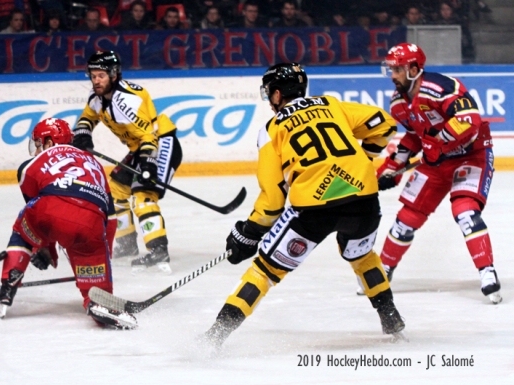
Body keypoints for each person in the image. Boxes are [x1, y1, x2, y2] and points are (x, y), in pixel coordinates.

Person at [201, 63, 405, 347]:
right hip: (364, 201)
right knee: (362, 255)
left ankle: (214, 337)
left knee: (264, 270)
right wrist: (365, 160)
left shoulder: (272, 128)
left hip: (313, 210)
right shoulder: (332, 105)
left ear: (275, 95)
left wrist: (248, 232)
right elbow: (383, 123)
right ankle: (390, 316)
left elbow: (272, 202)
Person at [371, 43, 500, 304]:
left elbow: (469, 119)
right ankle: (383, 270)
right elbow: (414, 137)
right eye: (391, 69)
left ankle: (487, 271)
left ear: (414, 69)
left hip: (471, 156)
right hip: (436, 163)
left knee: (465, 212)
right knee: (407, 217)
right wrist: (392, 168)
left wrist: (439, 142)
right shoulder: (398, 103)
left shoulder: (442, 87)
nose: (392, 75)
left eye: (397, 69)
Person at [0, 118, 137, 329]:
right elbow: (110, 220)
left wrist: (44, 248)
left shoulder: (29, 165)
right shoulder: (94, 163)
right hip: (91, 223)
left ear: (49, 142)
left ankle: (7, 288)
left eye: (39, 143)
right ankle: (98, 302)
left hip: (50, 209)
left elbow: (39, 209)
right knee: (96, 286)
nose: (37, 149)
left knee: (23, 228)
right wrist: (102, 260)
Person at [72, 51, 183, 273]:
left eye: (101, 75)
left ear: (114, 74)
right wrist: (83, 135)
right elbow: (87, 117)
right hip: (139, 148)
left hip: (160, 144)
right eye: (93, 76)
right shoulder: (97, 98)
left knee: (143, 194)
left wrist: (149, 166)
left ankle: (158, 249)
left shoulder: (128, 101)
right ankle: (127, 243)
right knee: (116, 191)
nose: (96, 81)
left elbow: (149, 136)